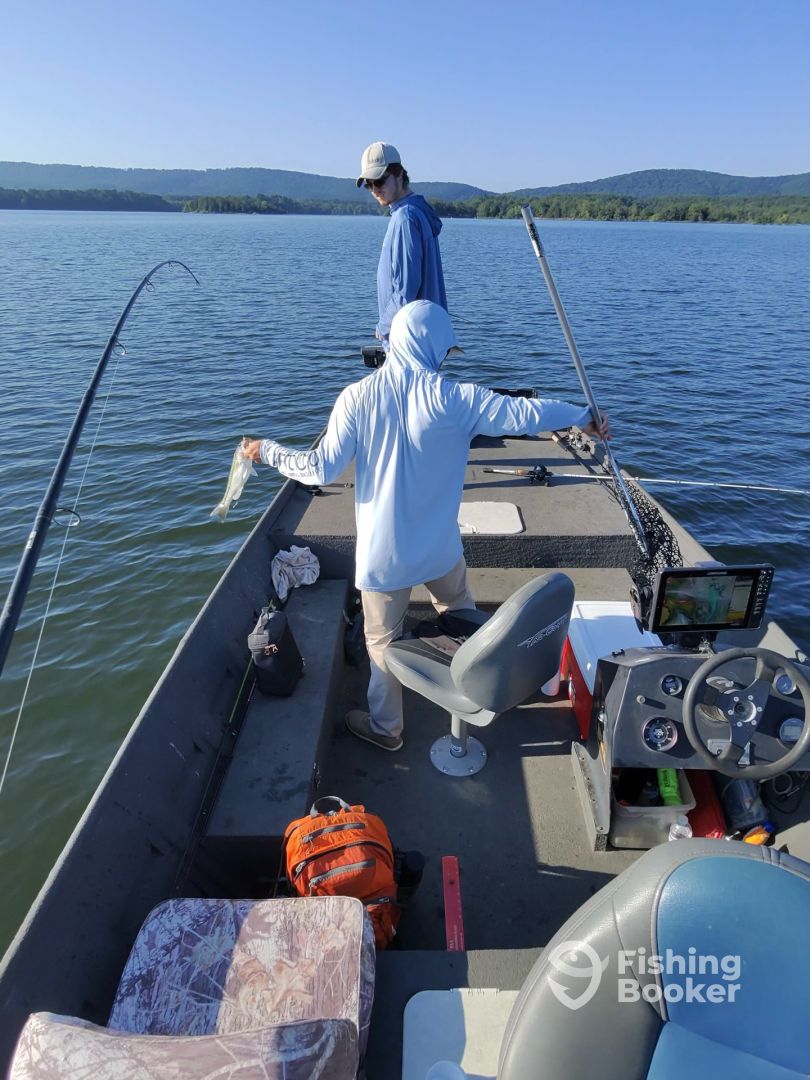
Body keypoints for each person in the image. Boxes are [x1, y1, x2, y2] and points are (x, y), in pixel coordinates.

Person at [244, 300, 610, 752]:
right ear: (435, 348)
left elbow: (318, 468)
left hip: (385, 560)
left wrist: (267, 451)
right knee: (459, 612)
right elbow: (526, 413)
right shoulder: (458, 400)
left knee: (382, 645)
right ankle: (476, 689)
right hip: (440, 549)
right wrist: (583, 416)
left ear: (394, 341)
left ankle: (387, 729)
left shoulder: (356, 397)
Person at [356, 141, 447, 346]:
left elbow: (406, 290)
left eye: (379, 181)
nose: (374, 189)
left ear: (399, 174)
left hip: (409, 341)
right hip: (424, 338)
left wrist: (383, 326)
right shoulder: (417, 212)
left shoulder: (405, 218)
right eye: (368, 184)